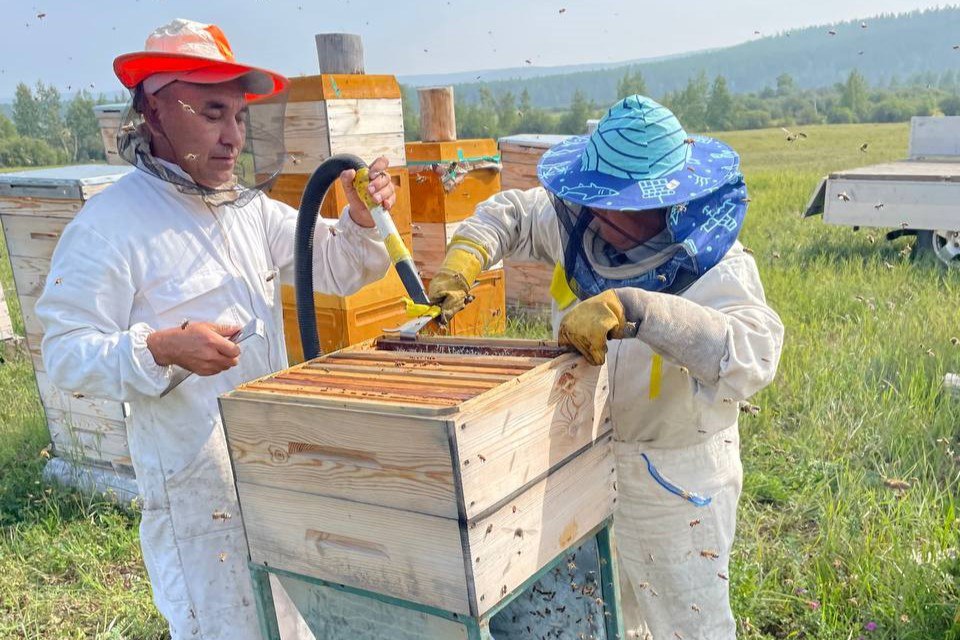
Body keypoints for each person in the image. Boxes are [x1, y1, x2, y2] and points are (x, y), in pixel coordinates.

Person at [35, 18, 395, 640]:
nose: (232, 137)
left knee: (290, 622)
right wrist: (161, 349)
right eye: (211, 113)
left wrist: (358, 219)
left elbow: (333, 267)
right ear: (155, 111)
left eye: (238, 116)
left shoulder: (246, 210)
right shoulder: (109, 227)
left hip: (270, 462)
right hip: (196, 491)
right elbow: (66, 353)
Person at [428, 95, 785, 639]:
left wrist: (643, 311)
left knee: (687, 621)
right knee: (601, 614)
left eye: (617, 200)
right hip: (586, 455)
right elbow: (518, 212)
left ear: (664, 201)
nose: (598, 211)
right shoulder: (584, 231)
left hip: (677, 475)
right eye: (596, 196)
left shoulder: (720, 264)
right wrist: (470, 251)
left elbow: (754, 354)